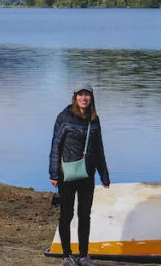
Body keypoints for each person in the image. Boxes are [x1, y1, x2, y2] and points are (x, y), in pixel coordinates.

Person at [49, 82, 110, 266]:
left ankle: (84, 256)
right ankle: (66, 256)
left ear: (91, 97)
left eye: (87, 95)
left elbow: (99, 149)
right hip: (66, 174)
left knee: (85, 215)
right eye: (81, 94)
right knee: (66, 214)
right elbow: (55, 146)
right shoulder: (64, 117)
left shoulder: (94, 119)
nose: (84, 98)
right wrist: (53, 173)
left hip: (87, 174)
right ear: (75, 96)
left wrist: (104, 175)